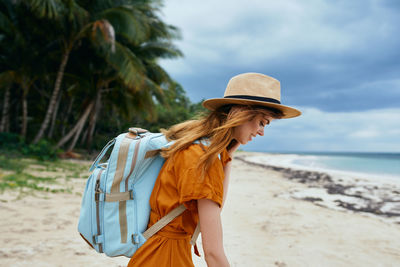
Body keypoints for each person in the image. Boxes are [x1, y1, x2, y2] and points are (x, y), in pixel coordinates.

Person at [127, 73, 301, 267]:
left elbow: (215, 210)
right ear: (241, 112)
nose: (262, 131)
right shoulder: (201, 157)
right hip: (165, 258)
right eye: (262, 122)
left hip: (160, 253)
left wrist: (229, 158)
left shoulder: (200, 150)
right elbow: (213, 253)